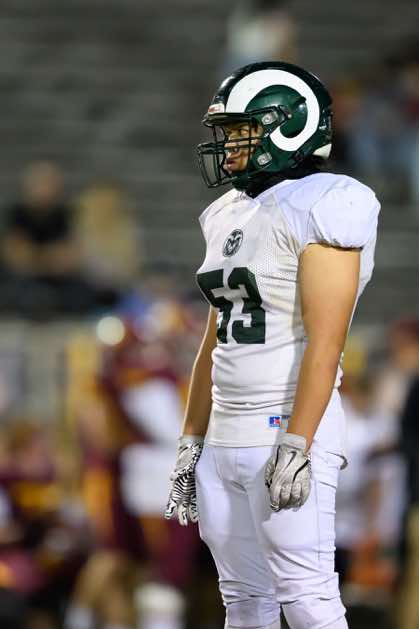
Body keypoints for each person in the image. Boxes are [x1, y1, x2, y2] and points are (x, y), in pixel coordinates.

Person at [165, 61, 381, 629]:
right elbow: (214, 339)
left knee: (308, 600)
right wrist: (191, 440)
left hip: (284, 423)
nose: (228, 145)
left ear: (287, 127)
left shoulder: (326, 202)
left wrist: (299, 442)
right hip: (225, 431)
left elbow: (326, 344)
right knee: (243, 603)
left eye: (240, 130)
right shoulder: (226, 212)